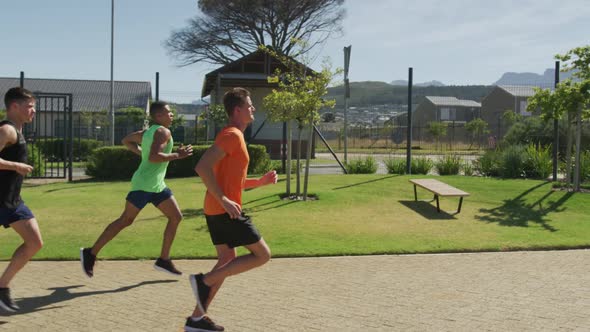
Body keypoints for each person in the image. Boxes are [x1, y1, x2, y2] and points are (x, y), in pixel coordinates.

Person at [184, 88, 277, 332]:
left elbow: (232, 180)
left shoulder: (235, 137)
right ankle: (202, 280)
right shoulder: (232, 135)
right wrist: (224, 199)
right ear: (237, 110)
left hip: (217, 209)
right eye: (249, 105)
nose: (252, 108)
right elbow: (202, 167)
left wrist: (260, 182)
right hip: (224, 210)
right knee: (262, 255)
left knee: (227, 260)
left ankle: (196, 319)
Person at [80, 101, 193, 278]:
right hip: (144, 185)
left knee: (176, 216)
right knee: (125, 220)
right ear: (158, 116)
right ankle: (90, 253)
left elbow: (126, 141)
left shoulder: (147, 132)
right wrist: (178, 155)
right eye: (168, 112)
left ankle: (163, 259)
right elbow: (155, 157)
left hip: (156, 185)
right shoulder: (163, 131)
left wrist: (143, 153)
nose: (172, 114)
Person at [0, 87, 44, 312]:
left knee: (35, 242)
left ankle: (2, 287)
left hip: (12, 201)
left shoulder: (18, 129)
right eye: (29, 106)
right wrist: (15, 165)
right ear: (14, 106)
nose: (33, 111)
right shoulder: (7, 130)